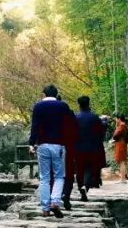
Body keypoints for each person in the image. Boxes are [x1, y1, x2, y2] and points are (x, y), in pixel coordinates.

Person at [29, 84, 74, 218]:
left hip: (42, 145)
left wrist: (31, 143)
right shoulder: (63, 106)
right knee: (59, 176)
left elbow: (35, 126)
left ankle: (45, 209)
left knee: (44, 178)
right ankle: (55, 201)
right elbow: (69, 125)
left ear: (44, 94)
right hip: (58, 145)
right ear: (56, 94)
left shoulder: (38, 106)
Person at [73, 96, 106, 201]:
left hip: (78, 148)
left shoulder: (75, 118)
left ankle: (80, 186)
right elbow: (101, 133)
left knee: (79, 169)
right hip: (92, 148)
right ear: (89, 104)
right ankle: (85, 187)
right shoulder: (95, 118)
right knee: (89, 169)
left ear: (79, 105)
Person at [111, 113, 128, 181]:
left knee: (121, 162)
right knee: (122, 162)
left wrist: (116, 128)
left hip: (120, 145)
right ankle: (123, 178)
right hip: (122, 144)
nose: (116, 120)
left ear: (119, 119)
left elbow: (115, 135)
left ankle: (123, 179)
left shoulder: (121, 125)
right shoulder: (125, 125)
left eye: (116, 119)